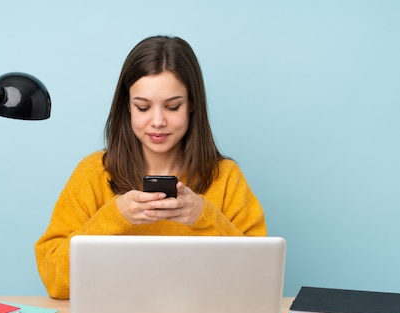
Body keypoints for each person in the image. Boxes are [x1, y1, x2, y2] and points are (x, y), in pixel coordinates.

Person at [35, 35, 266, 299]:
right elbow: (54, 280)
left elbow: (257, 281)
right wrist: (113, 218)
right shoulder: (93, 174)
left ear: (192, 105)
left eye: (173, 106)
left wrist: (205, 217)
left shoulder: (225, 178)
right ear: (127, 107)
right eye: (143, 107)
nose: (157, 121)